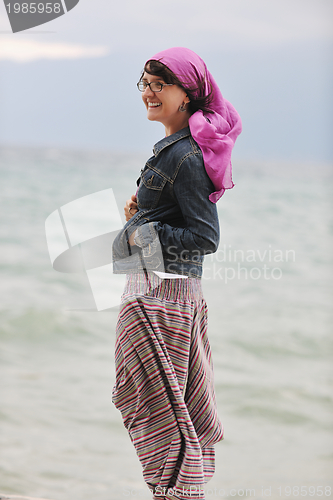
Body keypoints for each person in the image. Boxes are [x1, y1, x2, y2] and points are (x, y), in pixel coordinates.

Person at [112, 47, 242, 500]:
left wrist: (143, 229)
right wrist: (141, 214)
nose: (148, 93)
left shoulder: (186, 157)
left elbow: (205, 238)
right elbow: (173, 220)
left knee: (163, 417)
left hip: (163, 298)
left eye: (158, 84)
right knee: (152, 409)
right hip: (156, 291)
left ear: (187, 94)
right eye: (144, 84)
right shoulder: (172, 151)